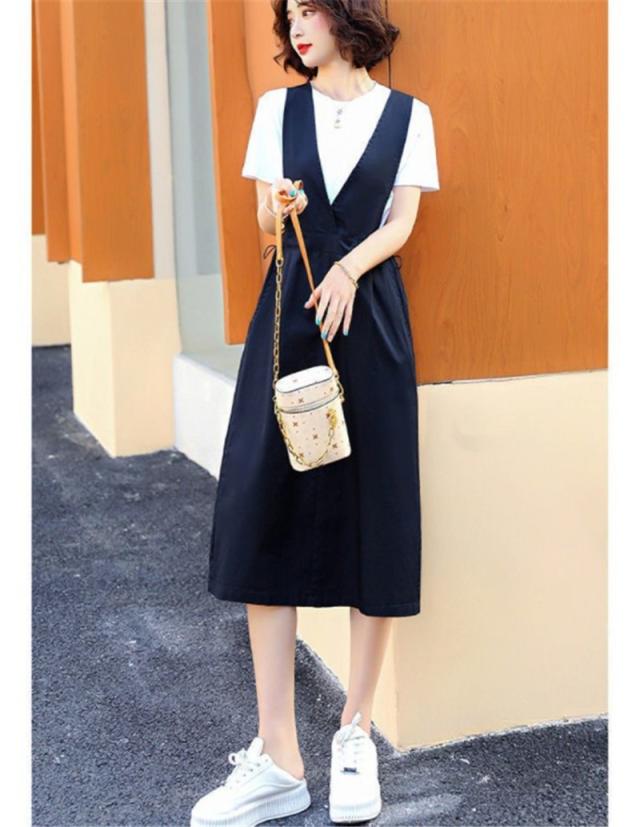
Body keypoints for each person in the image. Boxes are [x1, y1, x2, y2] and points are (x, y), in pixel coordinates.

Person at [191, 1, 440, 825]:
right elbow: (266, 224)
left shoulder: (406, 116)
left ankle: (354, 732)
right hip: (288, 321)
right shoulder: (277, 109)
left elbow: (403, 220)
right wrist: (281, 205)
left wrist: (349, 269)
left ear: (348, 15)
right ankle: (279, 757)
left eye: (310, 9)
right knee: (263, 507)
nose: (297, 26)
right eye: (289, 13)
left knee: (378, 514)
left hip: (369, 325)